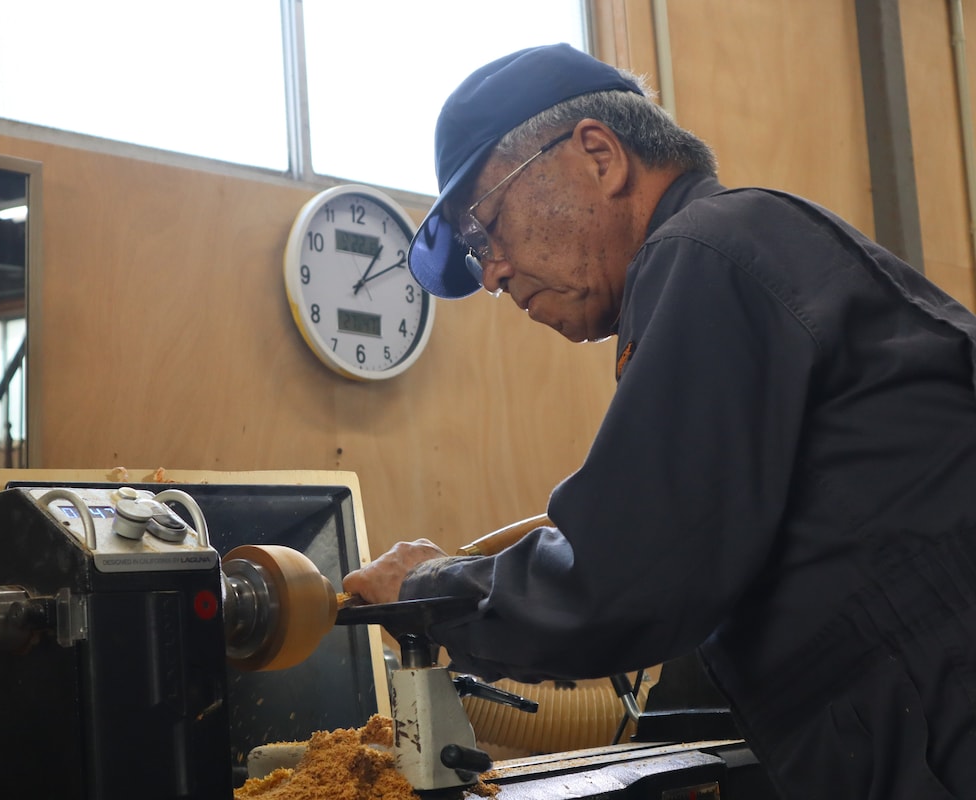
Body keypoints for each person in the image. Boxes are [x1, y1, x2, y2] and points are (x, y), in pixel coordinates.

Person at [341, 43, 976, 799]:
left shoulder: (706, 250)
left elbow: (625, 581)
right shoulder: (745, 252)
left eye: (486, 228)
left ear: (599, 155)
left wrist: (429, 588)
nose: (494, 273)